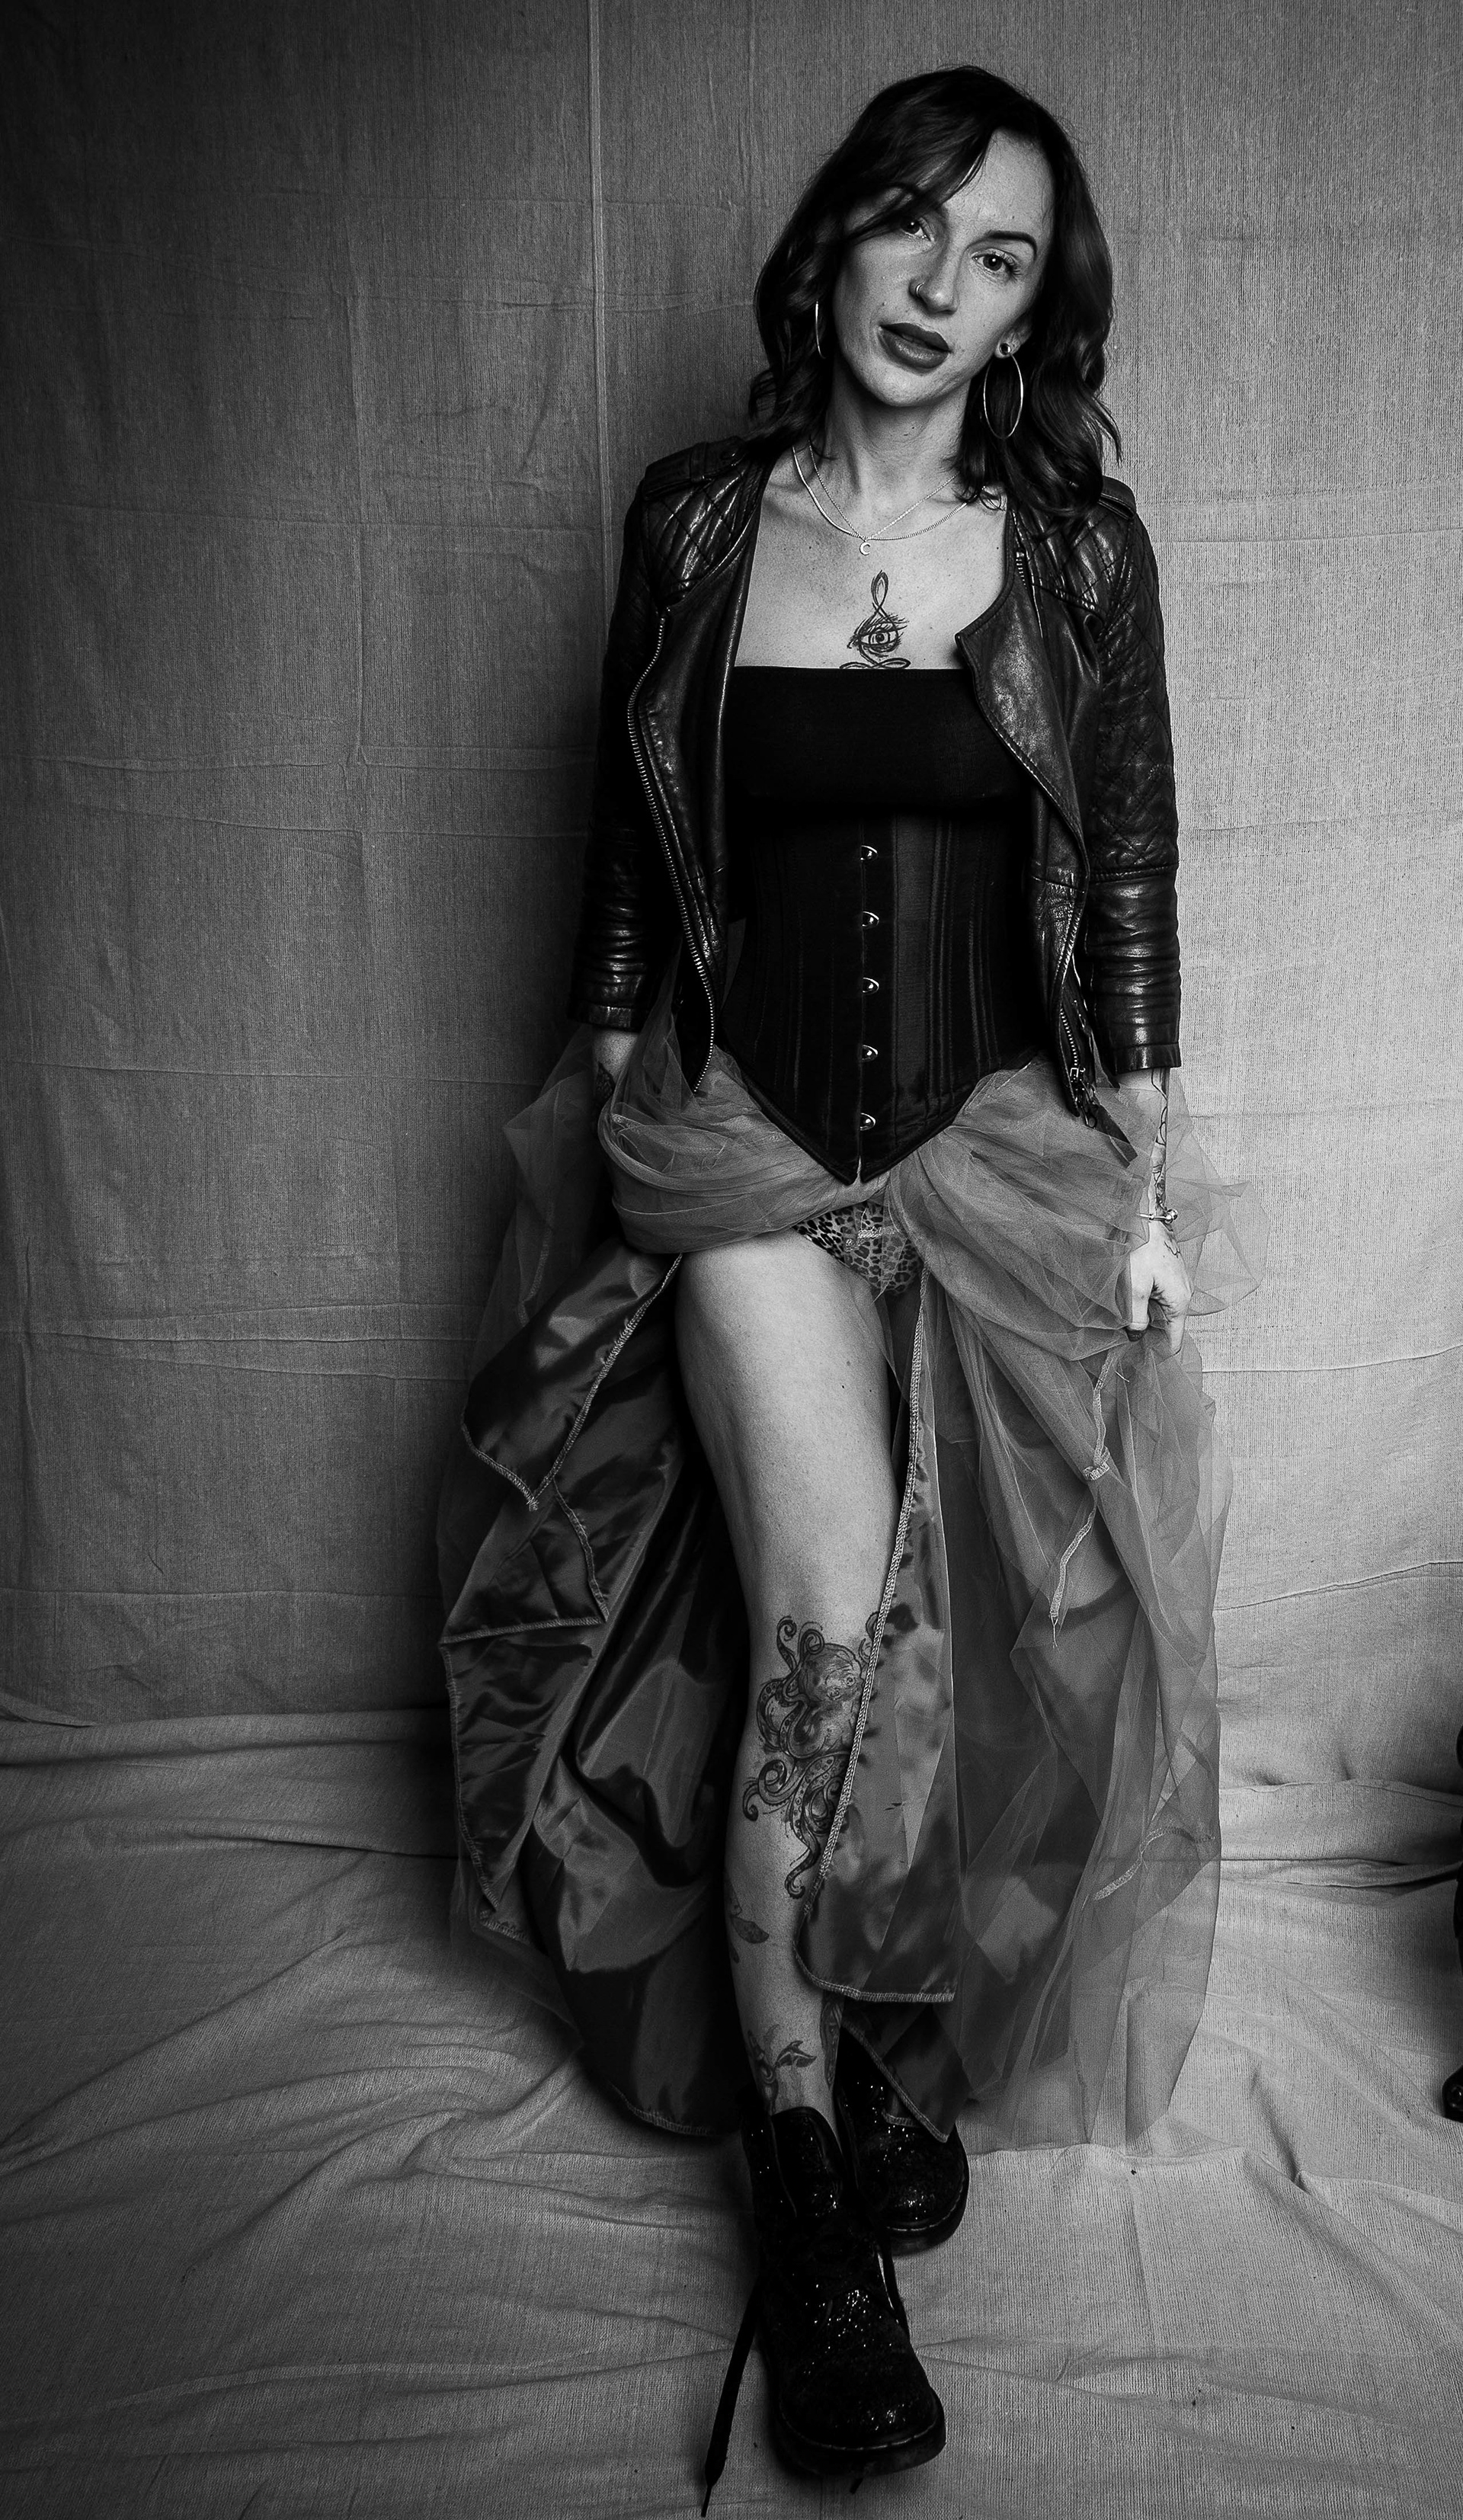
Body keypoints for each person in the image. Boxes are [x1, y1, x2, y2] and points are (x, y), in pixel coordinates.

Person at [438, 62, 1260, 2504]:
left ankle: (876, 2031)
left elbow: (1127, 863)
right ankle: (803, 2177)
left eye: (1000, 258)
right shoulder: (700, 520)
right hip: (750, 1134)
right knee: (817, 1613)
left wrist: (1143, 1162)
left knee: (983, 1614)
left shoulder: (1080, 545)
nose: (941, 285)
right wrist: (607, 1065)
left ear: (1031, 313)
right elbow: (630, 838)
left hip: (1002, 1133)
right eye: (914, 223)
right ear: (839, 240)